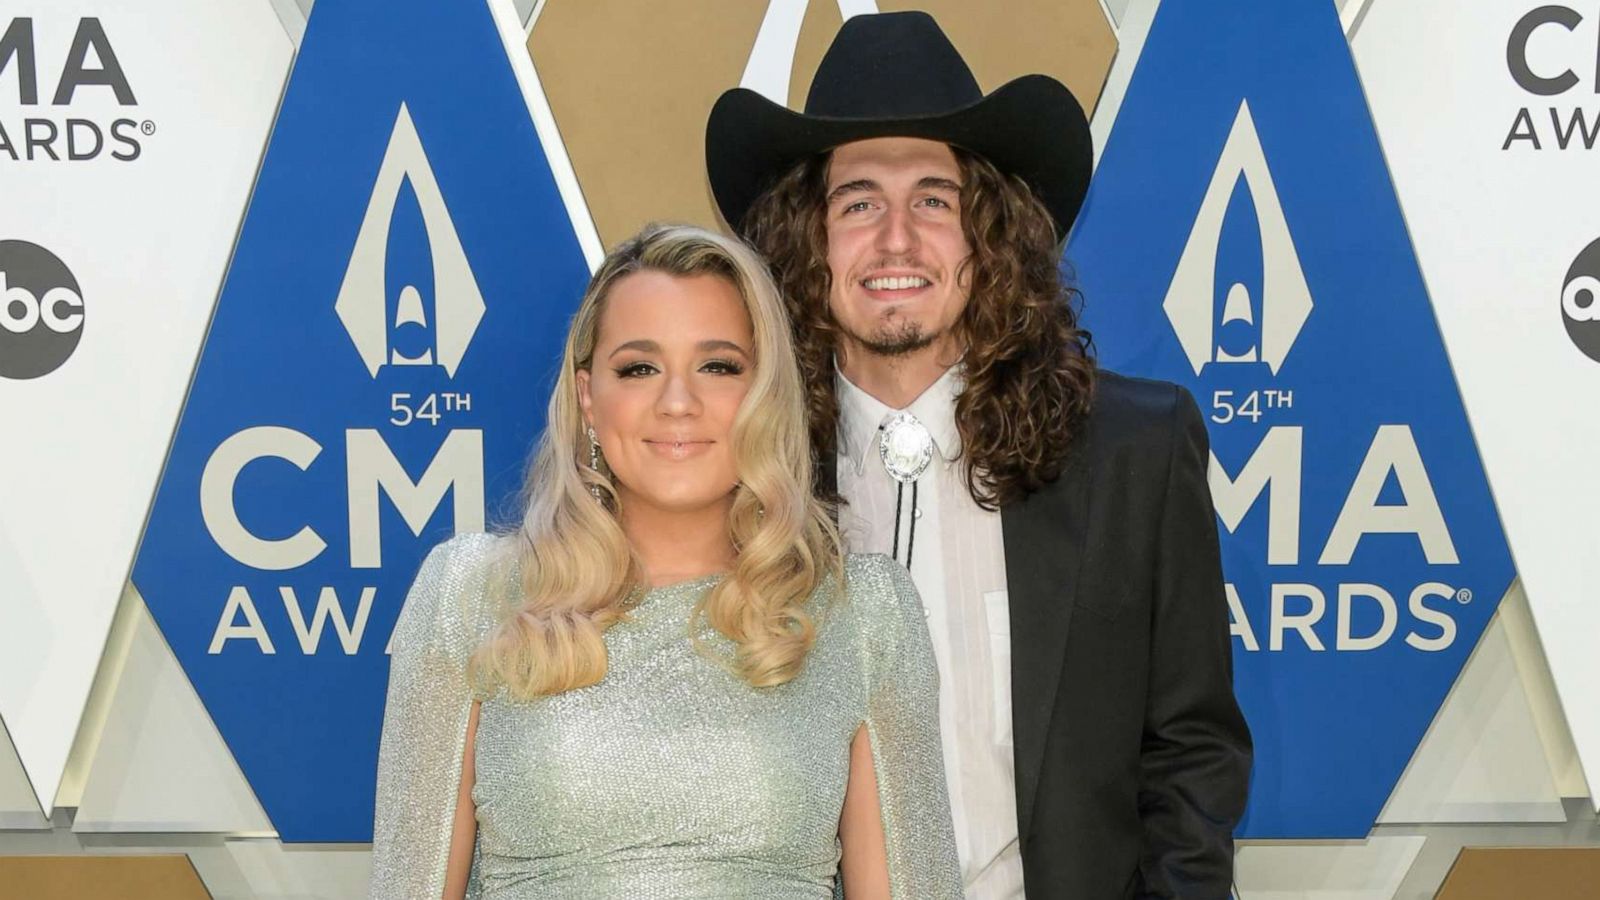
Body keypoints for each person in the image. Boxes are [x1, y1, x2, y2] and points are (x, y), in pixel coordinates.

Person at [706, 12, 1252, 898]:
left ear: (989, 236)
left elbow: (1192, 749)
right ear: (806, 239)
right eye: (857, 204)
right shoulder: (735, 466)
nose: (895, 240)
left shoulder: (1132, 450)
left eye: (934, 198)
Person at [368, 223, 962, 899]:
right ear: (590, 398)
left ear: (764, 391)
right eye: (639, 368)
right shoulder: (471, 594)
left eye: (718, 366)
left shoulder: (863, 615)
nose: (678, 402)